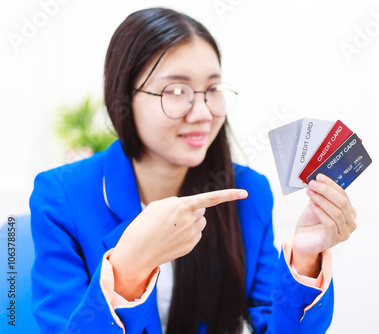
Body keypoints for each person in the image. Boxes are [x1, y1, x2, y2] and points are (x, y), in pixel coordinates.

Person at [29, 7, 357, 334]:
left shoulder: (247, 192)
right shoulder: (62, 197)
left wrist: (304, 259)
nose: (202, 112)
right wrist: (128, 270)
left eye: (212, 89)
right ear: (125, 96)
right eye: (175, 91)